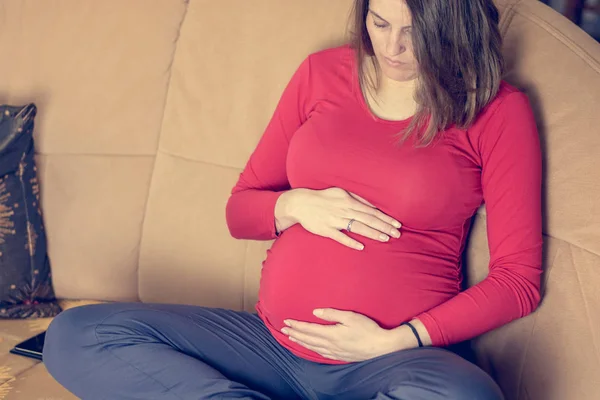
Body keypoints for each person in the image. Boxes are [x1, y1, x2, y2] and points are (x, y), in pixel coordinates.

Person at [42, 0, 542, 398]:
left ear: (451, 25)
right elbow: (241, 210)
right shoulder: (321, 74)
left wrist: (398, 339)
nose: (393, 46)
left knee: (464, 394)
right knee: (74, 335)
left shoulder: (496, 111)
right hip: (269, 347)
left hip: (389, 365)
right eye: (379, 22)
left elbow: (518, 281)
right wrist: (295, 205)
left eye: (415, 31)